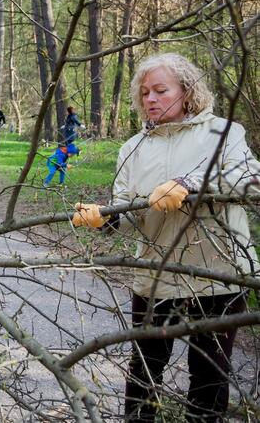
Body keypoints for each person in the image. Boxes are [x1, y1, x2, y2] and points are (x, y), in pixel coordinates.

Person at [71, 53, 260, 422]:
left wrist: (190, 186)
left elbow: (251, 181)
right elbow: (130, 214)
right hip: (155, 277)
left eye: (160, 90)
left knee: (208, 376)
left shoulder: (224, 132)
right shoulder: (133, 148)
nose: (151, 99)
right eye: (144, 93)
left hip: (217, 277)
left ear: (187, 92)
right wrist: (103, 219)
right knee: (144, 368)